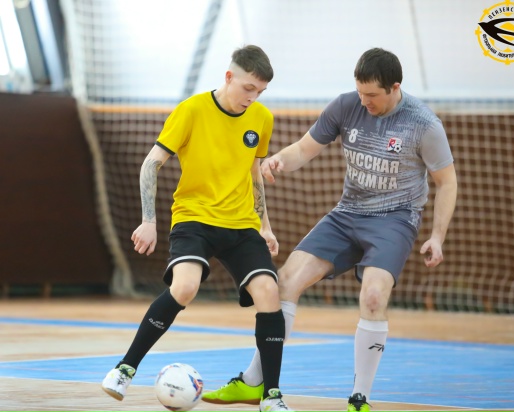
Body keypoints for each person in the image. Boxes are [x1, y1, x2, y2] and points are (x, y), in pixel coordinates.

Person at [202, 47, 458, 412]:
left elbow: (447, 182)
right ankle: (253, 381)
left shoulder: (423, 124)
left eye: (372, 95)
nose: (364, 101)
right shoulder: (346, 105)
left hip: (394, 219)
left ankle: (359, 398)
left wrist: (437, 236)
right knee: (284, 281)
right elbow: (304, 149)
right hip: (347, 214)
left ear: (395, 88)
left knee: (373, 296)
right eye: (360, 92)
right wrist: (279, 160)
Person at [101, 44, 295, 412]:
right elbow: (151, 163)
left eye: (260, 91)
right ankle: (124, 369)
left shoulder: (261, 118)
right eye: (248, 88)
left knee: (269, 292)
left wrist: (265, 226)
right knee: (185, 287)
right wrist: (148, 221)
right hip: (195, 219)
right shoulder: (191, 110)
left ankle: (271, 396)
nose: (253, 98)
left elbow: (254, 172)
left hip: (241, 224)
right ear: (229, 77)